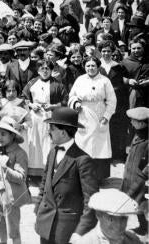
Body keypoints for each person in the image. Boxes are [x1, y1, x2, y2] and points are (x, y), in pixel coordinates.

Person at [34, 107, 98, 244]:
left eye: (52, 128)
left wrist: (80, 232)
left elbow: (92, 202)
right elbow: (45, 183)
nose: (48, 131)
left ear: (63, 133)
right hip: (45, 224)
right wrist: (38, 208)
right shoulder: (52, 152)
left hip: (67, 230)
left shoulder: (82, 160)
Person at [68, 56, 117, 183]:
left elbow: (112, 100)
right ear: (84, 67)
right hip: (83, 115)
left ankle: (98, 177)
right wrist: (75, 103)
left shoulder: (105, 81)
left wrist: (106, 116)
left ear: (98, 66)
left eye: (93, 65)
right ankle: (82, 176)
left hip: (99, 115)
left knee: (99, 146)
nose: (90, 68)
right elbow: (71, 96)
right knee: (82, 144)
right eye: (88, 66)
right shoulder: (80, 79)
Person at [0, 117, 31, 244]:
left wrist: (6, 170)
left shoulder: (19, 153)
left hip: (11, 197)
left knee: (13, 230)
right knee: (0, 227)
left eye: (4, 134)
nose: (0, 137)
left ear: (12, 136)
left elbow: (21, 177)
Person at [76, 189, 142, 244]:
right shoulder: (87, 242)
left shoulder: (133, 240)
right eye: (111, 218)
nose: (118, 225)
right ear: (98, 215)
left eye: (123, 218)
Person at [121, 106, 149, 235]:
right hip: (130, 174)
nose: (131, 122)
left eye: (134, 120)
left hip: (140, 179)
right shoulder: (138, 135)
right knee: (134, 202)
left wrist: (143, 175)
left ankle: (144, 228)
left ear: (142, 123)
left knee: (140, 203)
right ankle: (142, 228)